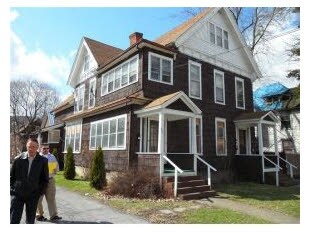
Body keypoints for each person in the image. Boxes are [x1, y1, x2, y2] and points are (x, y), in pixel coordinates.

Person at [10, 138, 49, 224]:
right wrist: (12, 190)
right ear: (26, 147)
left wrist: (39, 192)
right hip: (17, 195)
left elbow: (45, 179)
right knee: (14, 220)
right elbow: (11, 177)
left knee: (30, 221)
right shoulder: (18, 159)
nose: (31, 149)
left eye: (34, 147)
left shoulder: (43, 161)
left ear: (37, 147)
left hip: (33, 196)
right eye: (29, 146)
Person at [36, 144, 62, 221]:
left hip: (50, 180)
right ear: (40, 149)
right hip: (40, 181)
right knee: (38, 199)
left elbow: (56, 168)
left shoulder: (52, 157)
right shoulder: (37, 157)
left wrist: (54, 172)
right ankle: (39, 215)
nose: (46, 150)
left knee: (51, 198)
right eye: (44, 148)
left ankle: (53, 215)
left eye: (47, 148)